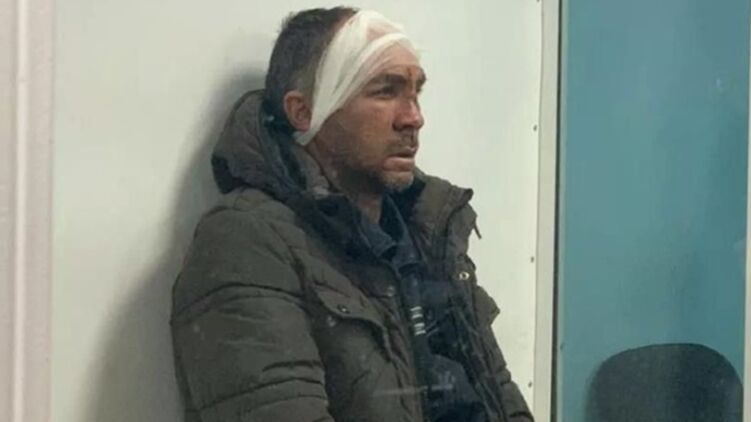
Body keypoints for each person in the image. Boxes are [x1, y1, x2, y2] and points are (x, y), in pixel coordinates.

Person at [170, 7, 533, 422]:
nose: (413, 117)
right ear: (304, 112)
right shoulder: (247, 241)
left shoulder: (429, 235)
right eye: (385, 91)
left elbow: (501, 398)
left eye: (416, 92)